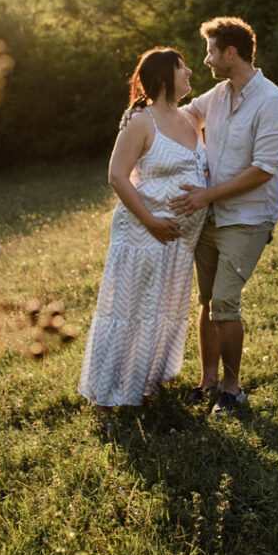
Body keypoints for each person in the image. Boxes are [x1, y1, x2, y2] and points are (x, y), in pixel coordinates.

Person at [170, 16, 278, 417]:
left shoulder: (272, 101)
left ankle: (232, 390)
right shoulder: (219, 95)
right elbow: (186, 116)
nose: (206, 60)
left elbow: (263, 170)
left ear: (231, 53)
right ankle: (207, 382)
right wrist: (141, 117)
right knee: (206, 301)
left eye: (210, 52)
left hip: (248, 217)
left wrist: (206, 195)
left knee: (224, 300)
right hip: (211, 217)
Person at [79, 47, 208, 412]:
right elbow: (117, 176)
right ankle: (106, 398)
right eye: (183, 67)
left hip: (179, 241)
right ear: (166, 75)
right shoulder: (141, 120)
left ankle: (142, 387)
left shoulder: (187, 118)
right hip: (142, 234)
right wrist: (151, 221)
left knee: (159, 312)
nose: (190, 71)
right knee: (129, 311)